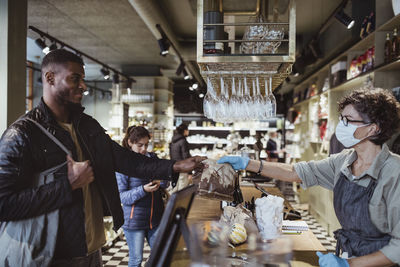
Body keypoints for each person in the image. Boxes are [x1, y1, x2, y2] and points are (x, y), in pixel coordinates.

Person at [0, 49, 205, 266]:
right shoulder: (22, 134)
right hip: (51, 255)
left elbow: (127, 160)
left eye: (83, 79)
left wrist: (176, 166)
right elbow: (3, 204)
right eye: (75, 78)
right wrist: (67, 185)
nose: (83, 86)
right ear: (50, 78)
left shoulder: (86, 126)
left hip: (91, 249)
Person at [219, 88, 400, 267]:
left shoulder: (394, 173)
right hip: (348, 254)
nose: (341, 125)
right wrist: (248, 163)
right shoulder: (344, 161)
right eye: (341, 118)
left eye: (349, 120)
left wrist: (349, 264)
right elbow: (296, 171)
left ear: (373, 129)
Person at [116, 126, 169, 267]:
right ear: (130, 143)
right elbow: (122, 197)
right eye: (140, 145)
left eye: (146, 144)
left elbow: (166, 182)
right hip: (134, 222)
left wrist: (162, 181)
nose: (144, 149)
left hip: (155, 219)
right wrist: (143, 189)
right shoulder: (122, 165)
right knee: (136, 260)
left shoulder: (153, 159)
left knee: (161, 256)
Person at [170, 123, 192, 191]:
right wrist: (190, 172)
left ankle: (171, 201)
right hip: (183, 168)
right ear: (185, 131)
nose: (188, 132)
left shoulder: (173, 140)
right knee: (182, 189)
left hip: (174, 167)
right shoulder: (183, 141)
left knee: (175, 188)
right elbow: (186, 157)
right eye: (187, 130)